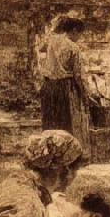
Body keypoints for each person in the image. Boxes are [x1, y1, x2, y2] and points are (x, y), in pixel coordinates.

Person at [38, 13, 93, 154]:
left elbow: (41, 50)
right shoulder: (73, 48)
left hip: (48, 87)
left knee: (50, 123)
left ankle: (49, 154)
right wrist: (86, 94)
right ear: (74, 31)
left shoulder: (52, 42)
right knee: (66, 125)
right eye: (79, 35)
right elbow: (79, 76)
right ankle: (67, 157)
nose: (79, 38)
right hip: (64, 88)